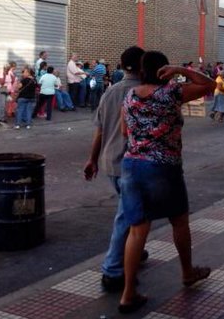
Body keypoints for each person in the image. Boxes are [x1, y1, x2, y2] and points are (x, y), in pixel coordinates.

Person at [117, 51, 215, 314]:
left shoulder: (130, 96)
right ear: (164, 69)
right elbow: (209, 84)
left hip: (131, 166)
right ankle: (187, 272)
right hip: (163, 167)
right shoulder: (171, 93)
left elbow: (125, 131)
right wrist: (180, 69)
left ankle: (128, 294)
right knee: (179, 221)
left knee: (137, 230)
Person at [83, 46, 146, 293]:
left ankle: (134, 250)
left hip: (109, 162)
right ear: (143, 66)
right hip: (131, 164)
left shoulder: (110, 92)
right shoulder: (143, 92)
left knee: (131, 212)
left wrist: (92, 159)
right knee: (127, 216)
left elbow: (99, 130)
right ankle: (112, 269)